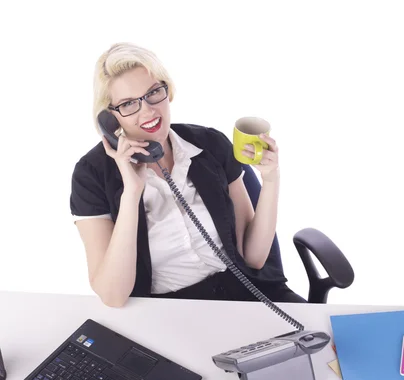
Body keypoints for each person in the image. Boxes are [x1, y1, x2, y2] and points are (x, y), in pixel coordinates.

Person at [70, 42, 304, 307]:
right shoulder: (91, 175)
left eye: (153, 93)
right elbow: (113, 296)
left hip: (246, 295)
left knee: (330, 343)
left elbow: (253, 258)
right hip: (170, 311)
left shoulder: (210, 145)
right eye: (128, 104)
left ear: (167, 90)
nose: (147, 111)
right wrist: (131, 192)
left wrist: (271, 179)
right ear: (110, 118)